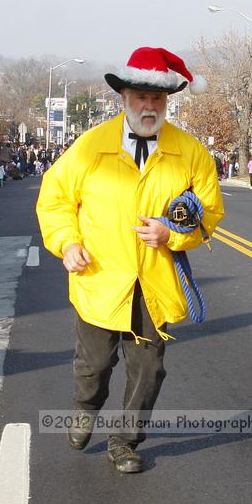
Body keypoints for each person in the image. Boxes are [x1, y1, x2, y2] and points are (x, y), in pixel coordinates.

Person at [37, 46, 224, 474]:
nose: (148, 105)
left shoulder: (190, 152)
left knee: (148, 370)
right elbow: (55, 200)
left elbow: (209, 213)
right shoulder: (90, 147)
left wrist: (172, 233)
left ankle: (124, 442)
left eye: (157, 98)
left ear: (167, 102)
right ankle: (85, 408)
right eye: (140, 96)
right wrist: (67, 243)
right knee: (95, 365)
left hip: (155, 283)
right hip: (100, 278)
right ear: (123, 97)